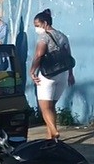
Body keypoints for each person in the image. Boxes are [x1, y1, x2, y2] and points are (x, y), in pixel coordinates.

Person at [29, 8, 74, 139]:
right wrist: (71, 74)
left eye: (37, 25)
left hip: (47, 75)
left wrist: (32, 71)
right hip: (63, 74)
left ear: (45, 23)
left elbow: (39, 55)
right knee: (51, 106)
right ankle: (50, 138)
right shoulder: (63, 36)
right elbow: (68, 56)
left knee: (45, 108)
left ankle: (54, 131)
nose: (36, 28)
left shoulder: (44, 37)